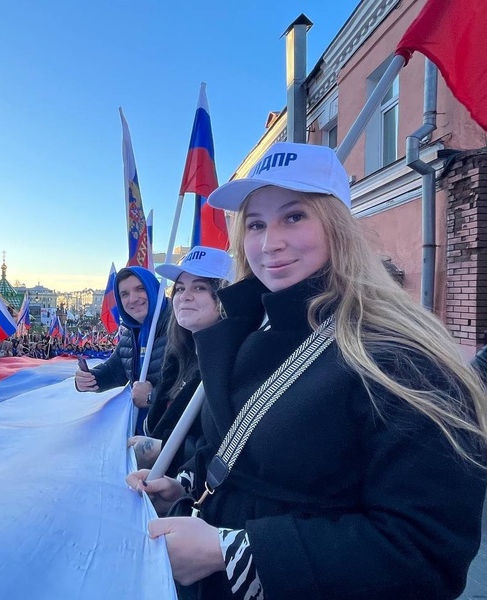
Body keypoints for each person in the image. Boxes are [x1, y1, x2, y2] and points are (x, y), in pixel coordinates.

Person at [128, 142, 487, 600]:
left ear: (337, 227)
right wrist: (183, 487)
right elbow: (241, 452)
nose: (269, 241)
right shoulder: (254, 330)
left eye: (294, 217)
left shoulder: (399, 357)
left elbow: (424, 552)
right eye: (256, 224)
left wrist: (231, 551)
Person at [127, 246, 234, 471]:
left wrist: (164, 450)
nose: (185, 296)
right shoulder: (177, 359)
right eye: (180, 288)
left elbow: (229, 446)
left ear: (224, 296)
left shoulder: (234, 365)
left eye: (199, 287)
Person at [74, 266, 170, 435]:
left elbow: (191, 387)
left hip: (172, 437)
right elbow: (113, 372)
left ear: (154, 289)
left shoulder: (178, 328)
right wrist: (88, 379)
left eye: (140, 289)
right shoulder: (130, 334)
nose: (132, 299)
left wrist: (152, 397)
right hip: (141, 432)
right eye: (124, 294)